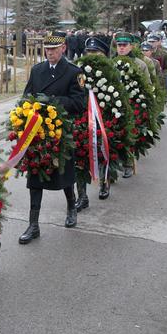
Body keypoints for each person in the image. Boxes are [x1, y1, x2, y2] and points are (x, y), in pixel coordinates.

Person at [19, 31, 86, 244]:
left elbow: (79, 103)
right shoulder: (37, 70)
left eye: (54, 49)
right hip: (38, 132)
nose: (49, 53)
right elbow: (26, 95)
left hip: (61, 132)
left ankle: (71, 207)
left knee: (64, 175)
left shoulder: (74, 72)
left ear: (63, 48)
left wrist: (53, 101)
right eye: (46, 49)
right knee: (35, 178)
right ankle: (33, 224)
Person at [74, 36, 111, 213]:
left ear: (103, 54)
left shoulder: (111, 72)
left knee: (103, 151)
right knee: (80, 155)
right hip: (83, 119)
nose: (91, 55)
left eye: (96, 52)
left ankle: (104, 182)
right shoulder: (79, 71)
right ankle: (82, 196)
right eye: (89, 52)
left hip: (104, 118)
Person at [112, 32, 150, 179]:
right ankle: (113, 166)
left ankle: (128, 163)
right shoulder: (111, 63)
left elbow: (147, 86)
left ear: (131, 46)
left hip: (133, 105)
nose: (121, 48)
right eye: (119, 45)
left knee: (128, 135)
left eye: (124, 45)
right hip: (114, 104)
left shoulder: (140, 65)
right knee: (114, 134)